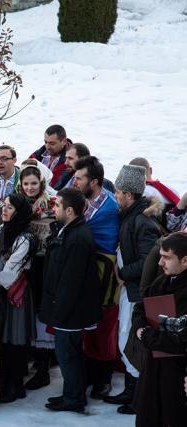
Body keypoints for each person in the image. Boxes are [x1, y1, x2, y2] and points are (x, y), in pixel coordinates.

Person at [104, 164, 162, 415]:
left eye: (118, 192)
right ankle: (131, 390)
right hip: (129, 289)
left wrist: (122, 274)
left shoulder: (142, 222)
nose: (115, 196)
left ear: (129, 195)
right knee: (124, 339)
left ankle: (139, 396)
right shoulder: (130, 216)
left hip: (137, 292)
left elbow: (149, 261)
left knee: (132, 341)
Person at [40, 188, 102, 413]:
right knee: (68, 355)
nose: (53, 208)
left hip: (71, 312)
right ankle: (71, 394)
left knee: (68, 355)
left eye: (57, 206)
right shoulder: (69, 231)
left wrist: (59, 310)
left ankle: (74, 398)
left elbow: (71, 280)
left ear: (69, 210)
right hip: (68, 309)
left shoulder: (77, 237)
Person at [72, 155, 121, 399]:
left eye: (79, 178)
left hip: (104, 272)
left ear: (94, 182)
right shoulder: (83, 200)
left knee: (103, 325)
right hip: (86, 267)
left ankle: (103, 379)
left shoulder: (110, 206)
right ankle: (90, 372)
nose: (74, 181)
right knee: (87, 323)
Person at [131, 232, 187, 427]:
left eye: (166, 257)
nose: (160, 262)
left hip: (176, 374)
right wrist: (139, 328)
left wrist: (146, 335)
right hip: (153, 369)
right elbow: (140, 308)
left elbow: (180, 340)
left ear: (185, 260)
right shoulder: (163, 281)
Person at [0, 193, 36, 403]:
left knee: (15, 339)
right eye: (4, 205)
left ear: (19, 212)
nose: (4, 209)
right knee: (2, 339)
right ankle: (3, 382)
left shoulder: (26, 238)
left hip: (15, 292)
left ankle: (15, 384)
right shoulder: (1, 229)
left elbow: (12, 269)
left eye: (10, 207)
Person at [18, 163, 57, 389]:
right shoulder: (18, 203)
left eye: (34, 183)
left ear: (41, 183)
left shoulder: (52, 202)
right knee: (27, 311)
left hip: (46, 264)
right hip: (25, 264)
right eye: (26, 184)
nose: (30, 187)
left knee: (43, 313)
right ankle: (29, 360)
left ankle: (43, 368)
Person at [30, 124, 72, 190]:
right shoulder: (37, 155)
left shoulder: (72, 161)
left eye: (52, 143)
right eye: (45, 142)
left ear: (64, 141)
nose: (47, 147)